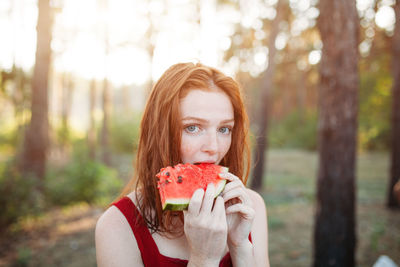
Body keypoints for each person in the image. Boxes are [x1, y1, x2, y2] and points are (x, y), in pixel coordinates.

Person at [95, 62, 270, 267]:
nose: (213, 147)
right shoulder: (117, 226)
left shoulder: (250, 208)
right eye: (193, 127)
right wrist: (204, 259)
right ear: (160, 132)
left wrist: (240, 248)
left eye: (224, 129)